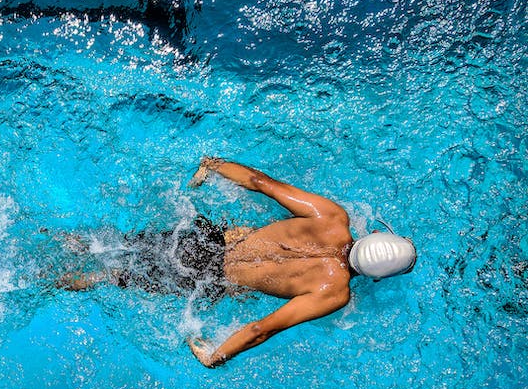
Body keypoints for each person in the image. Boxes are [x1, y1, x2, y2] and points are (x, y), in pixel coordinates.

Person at [58, 157, 417, 367]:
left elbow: (261, 182)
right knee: (112, 277)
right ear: (377, 278)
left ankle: (60, 238)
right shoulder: (334, 292)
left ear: (374, 234)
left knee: (113, 245)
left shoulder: (332, 217)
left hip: (205, 239)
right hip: (208, 277)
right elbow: (263, 328)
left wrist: (213, 165)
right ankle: (48, 281)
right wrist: (216, 356)